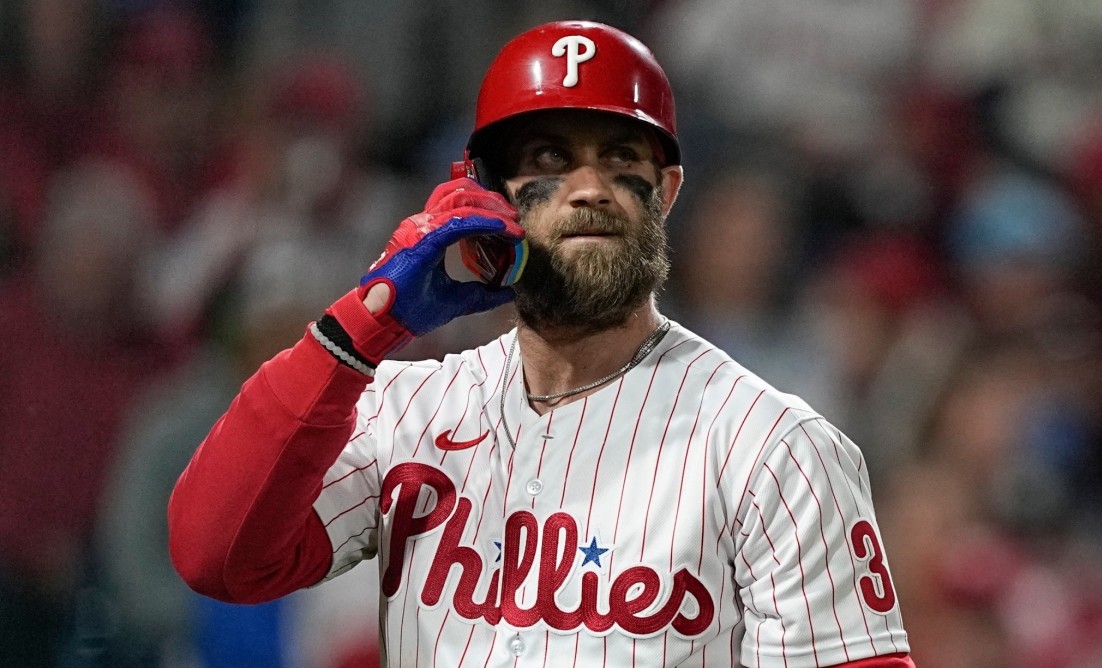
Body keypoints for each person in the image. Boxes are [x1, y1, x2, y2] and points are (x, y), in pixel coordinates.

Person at [168, 20, 914, 667]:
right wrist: (364, 326)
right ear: (489, 193)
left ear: (668, 192)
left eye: (622, 158)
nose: (588, 188)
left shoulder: (778, 449)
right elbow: (217, 556)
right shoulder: (404, 411)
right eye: (550, 161)